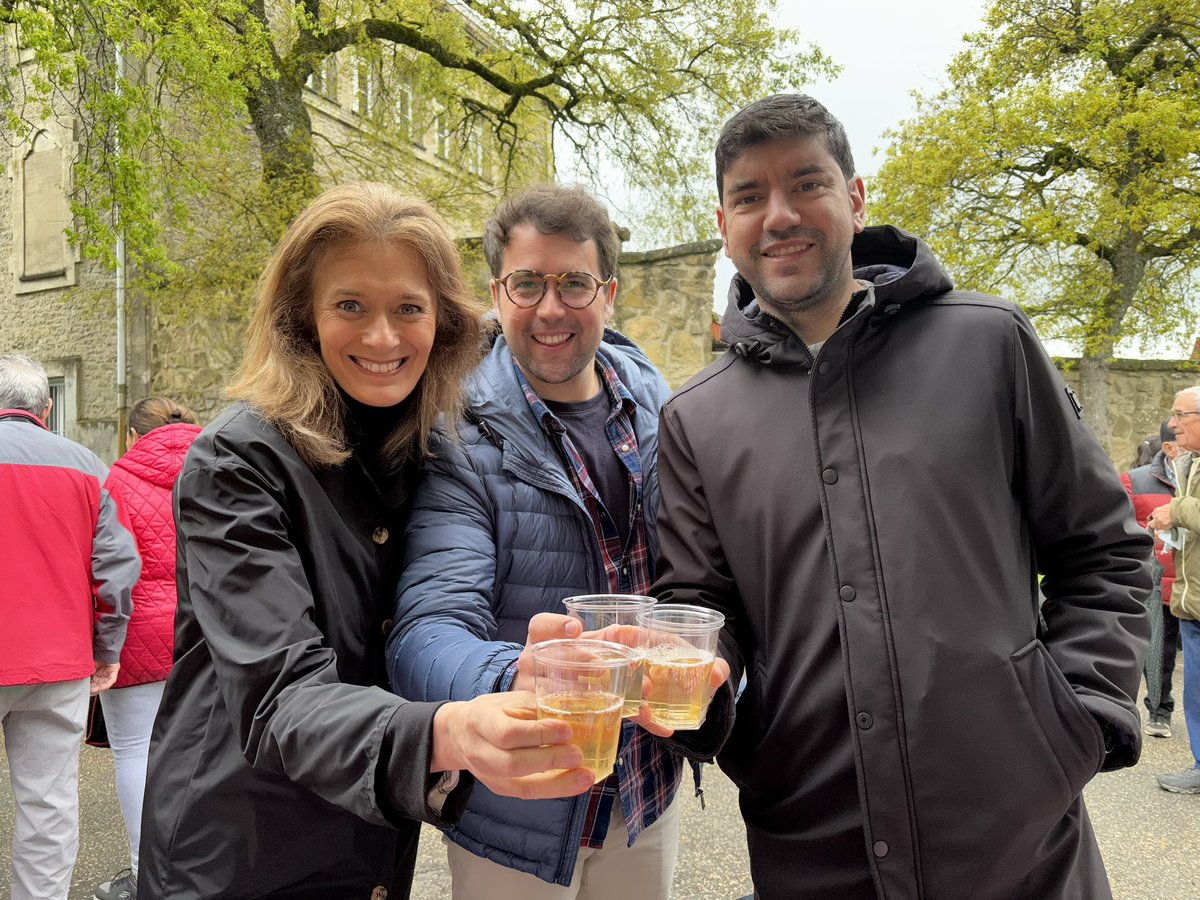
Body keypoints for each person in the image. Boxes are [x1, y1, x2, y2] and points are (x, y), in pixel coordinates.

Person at [651, 94, 1151, 899]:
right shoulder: (694, 417)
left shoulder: (989, 344)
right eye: (749, 196)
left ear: (853, 197)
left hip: (1016, 840)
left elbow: (1103, 549)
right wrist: (689, 677)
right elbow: (702, 606)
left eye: (805, 184)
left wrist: (1075, 720)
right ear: (723, 223)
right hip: (813, 837)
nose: (777, 215)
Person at [138, 183, 599, 900]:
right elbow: (279, 700)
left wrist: (515, 671)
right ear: (302, 316)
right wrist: (451, 731)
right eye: (350, 305)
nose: (383, 338)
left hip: (370, 854)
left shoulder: (424, 446)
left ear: (441, 320)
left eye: (408, 308)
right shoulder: (240, 459)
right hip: (241, 854)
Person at [387, 184, 685, 898]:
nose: (551, 309)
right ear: (497, 292)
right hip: (519, 808)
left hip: (646, 793)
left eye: (574, 284)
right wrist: (517, 675)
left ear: (607, 293)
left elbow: (702, 586)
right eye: (527, 284)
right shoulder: (459, 432)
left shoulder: (664, 412)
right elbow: (426, 633)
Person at [0, 353, 141, 900]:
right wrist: (107, 648)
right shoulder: (88, 466)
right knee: (48, 806)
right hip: (57, 660)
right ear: (46, 407)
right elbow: (117, 571)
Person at [93, 398, 201, 900]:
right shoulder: (222, 463)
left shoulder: (119, 478)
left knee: (136, 753)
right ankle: (200, 865)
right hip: (206, 631)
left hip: (139, 632)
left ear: (134, 436)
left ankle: (145, 874)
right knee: (202, 752)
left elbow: (111, 566)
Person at [1148, 387, 1200, 793]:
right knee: (1196, 693)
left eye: (1181, 414)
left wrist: (1176, 510)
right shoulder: (1191, 463)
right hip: (1191, 600)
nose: (1173, 423)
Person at [1121, 420, 1179, 739]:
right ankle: (1159, 709)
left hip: (1190, 577)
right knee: (1159, 647)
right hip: (1157, 575)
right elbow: (1124, 526)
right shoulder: (1135, 481)